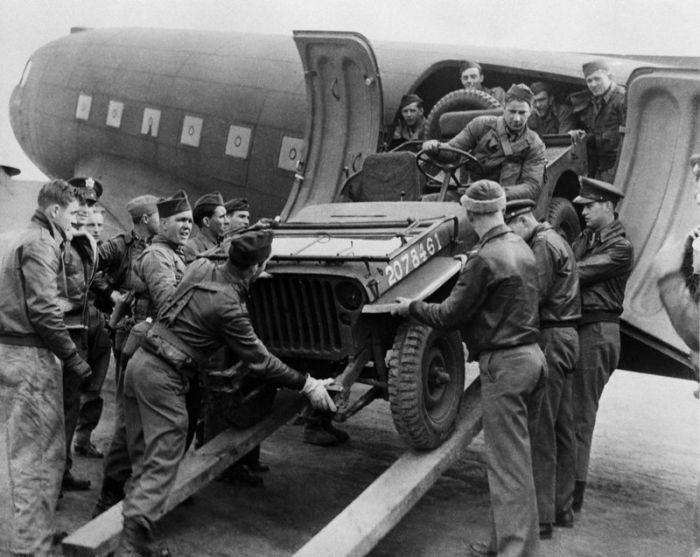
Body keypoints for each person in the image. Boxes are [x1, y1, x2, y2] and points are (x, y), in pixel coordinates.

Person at [115, 228, 338, 555]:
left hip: (139, 365)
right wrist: (307, 382)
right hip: (164, 376)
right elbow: (260, 362)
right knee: (164, 458)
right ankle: (131, 547)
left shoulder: (203, 278)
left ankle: (136, 536)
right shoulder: (228, 306)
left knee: (143, 454)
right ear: (257, 267)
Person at [392, 180, 545, 557]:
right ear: (501, 208)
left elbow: (447, 314)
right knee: (519, 462)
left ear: (471, 212)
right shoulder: (521, 247)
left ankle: (515, 552)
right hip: (531, 359)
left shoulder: (485, 257)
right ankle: (503, 543)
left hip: (505, 365)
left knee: (507, 468)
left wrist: (410, 307)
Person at [0, 180, 91, 556]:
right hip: (31, 357)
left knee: (22, 452)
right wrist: (73, 358)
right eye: (73, 214)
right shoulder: (41, 242)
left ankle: (28, 531)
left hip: (9, 350)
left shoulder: (15, 235)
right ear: (56, 211)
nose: (75, 221)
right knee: (38, 455)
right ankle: (30, 546)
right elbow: (43, 310)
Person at [93, 191, 191, 517]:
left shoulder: (169, 251)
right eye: (178, 220)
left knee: (132, 425)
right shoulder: (140, 250)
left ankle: (125, 493)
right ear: (154, 220)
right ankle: (117, 498)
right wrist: (109, 294)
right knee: (129, 424)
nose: (184, 226)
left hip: (145, 338)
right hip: (137, 340)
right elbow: (167, 303)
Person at [505, 199, 581, 540]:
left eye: (512, 230)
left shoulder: (542, 245)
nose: (513, 239)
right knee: (563, 426)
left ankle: (542, 518)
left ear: (522, 220)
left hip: (552, 336)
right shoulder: (557, 239)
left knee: (540, 429)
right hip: (567, 336)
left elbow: (532, 296)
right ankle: (563, 508)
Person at [571, 177, 633, 513]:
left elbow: (573, 271)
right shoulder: (589, 237)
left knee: (581, 415)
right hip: (586, 330)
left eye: (589, 206)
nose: (583, 211)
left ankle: (573, 495)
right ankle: (565, 488)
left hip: (598, 332)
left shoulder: (619, 247)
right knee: (570, 412)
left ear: (607, 207)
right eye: (581, 206)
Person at [422, 84, 546, 202]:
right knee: (426, 203)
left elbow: (531, 187)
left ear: (530, 111)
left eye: (522, 113)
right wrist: (435, 148)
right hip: (472, 193)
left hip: (506, 201)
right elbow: (453, 151)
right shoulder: (481, 126)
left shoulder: (535, 145)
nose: (517, 119)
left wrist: (494, 194)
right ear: (504, 107)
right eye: (512, 112)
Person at [60, 181, 101, 490]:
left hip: (80, 331)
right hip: (62, 334)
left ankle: (61, 472)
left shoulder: (84, 242)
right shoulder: (59, 243)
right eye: (80, 205)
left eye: (91, 205)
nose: (86, 210)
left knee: (70, 404)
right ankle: (52, 480)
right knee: (57, 408)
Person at [568, 60, 627, 182]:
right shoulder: (599, 100)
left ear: (609, 77)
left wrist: (615, 173)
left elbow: (628, 140)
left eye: (597, 79)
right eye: (589, 81)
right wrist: (584, 136)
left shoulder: (621, 99)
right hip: (604, 167)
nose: (593, 84)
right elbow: (600, 133)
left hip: (618, 168)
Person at [183, 191, 228, 263]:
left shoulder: (225, 246)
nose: (227, 221)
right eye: (222, 217)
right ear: (206, 221)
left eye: (226, 216)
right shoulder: (190, 248)